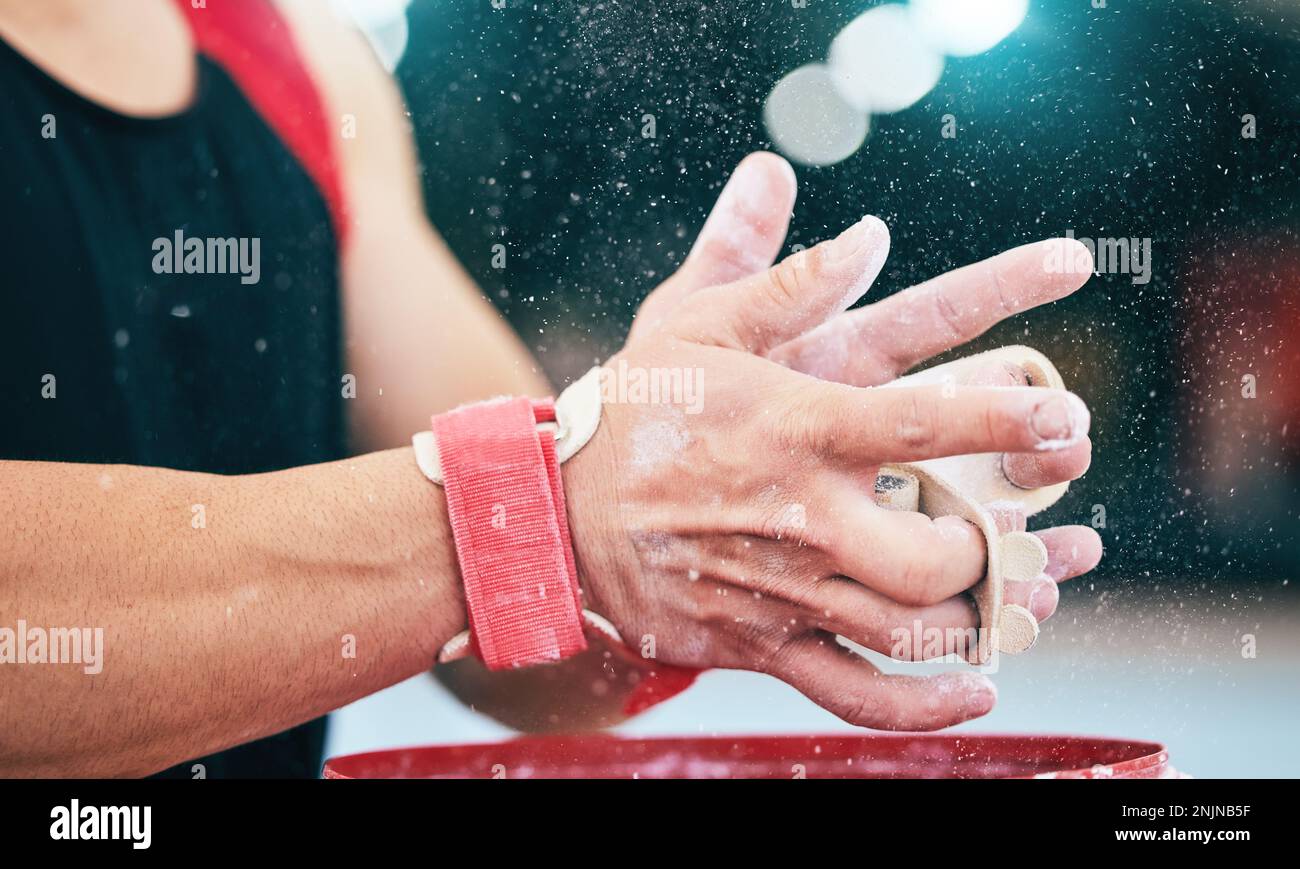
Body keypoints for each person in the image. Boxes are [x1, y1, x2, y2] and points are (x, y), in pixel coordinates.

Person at [0, 0, 1101, 778]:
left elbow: (533, 646)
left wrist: (733, 482)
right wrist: (560, 513)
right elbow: (536, 514)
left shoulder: (299, 61)